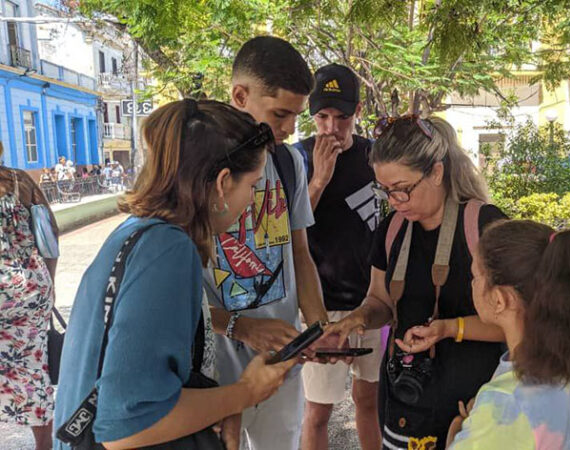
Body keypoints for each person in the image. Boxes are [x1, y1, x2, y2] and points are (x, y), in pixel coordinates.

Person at [53, 100, 297, 450]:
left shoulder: (140, 232)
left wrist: (215, 407)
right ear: (223, 183)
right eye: (253, 186)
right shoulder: (168, 250)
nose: (252, 200)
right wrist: (245, 393)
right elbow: (126, 426)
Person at [325, 116, 508, 448]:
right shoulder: (392, 229)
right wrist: (358, 319)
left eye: (403, 189)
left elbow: (518, 323)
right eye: (385, 191)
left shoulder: (485, 226)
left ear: (437, 172)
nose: (395, 201)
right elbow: (380, 300)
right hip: (405, 401)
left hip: (475, 406)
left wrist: (449, 328)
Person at [202, 36, 333, 450]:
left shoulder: (288, 162)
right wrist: (241, 327)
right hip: (210, 371)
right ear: (240, 95)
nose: (290, 128)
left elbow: (299, 253)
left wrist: (317, 329)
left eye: (296, 116)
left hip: (281, 365)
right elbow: (168, 291)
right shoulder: (193, 167)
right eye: (280, 113)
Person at [446, 221, 570, 449]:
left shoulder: (504, 400)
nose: (472, 284)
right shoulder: (560, 369)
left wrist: (460, 426)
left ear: (500, 299)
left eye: (475, 276)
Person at [295, 64, 382, 450]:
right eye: (322, 117)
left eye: (342, 117)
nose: (331, 128)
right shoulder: (295, 159)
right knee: (317, 411)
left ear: (357, 112)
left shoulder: (374, 156)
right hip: (320, 307)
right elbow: (285, 232)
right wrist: (318, 181)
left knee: (370, 400)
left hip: (372, 304)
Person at [0, 141, 59, 450]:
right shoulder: (19, 180)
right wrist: (48, 285)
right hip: (28, 292)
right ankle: (43, 446)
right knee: (34, 372)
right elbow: (51, 235)